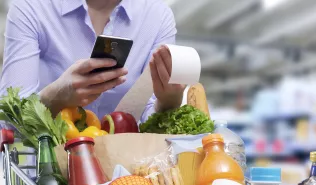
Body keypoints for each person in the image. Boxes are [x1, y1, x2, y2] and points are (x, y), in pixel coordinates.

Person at [0, 0, 185, 122]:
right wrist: (55, 97)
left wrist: (167, 101)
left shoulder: (158, 16)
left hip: (122, 169)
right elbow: (8, 117)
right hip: (46, 166)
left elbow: (148, 118)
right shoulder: (31, 7)